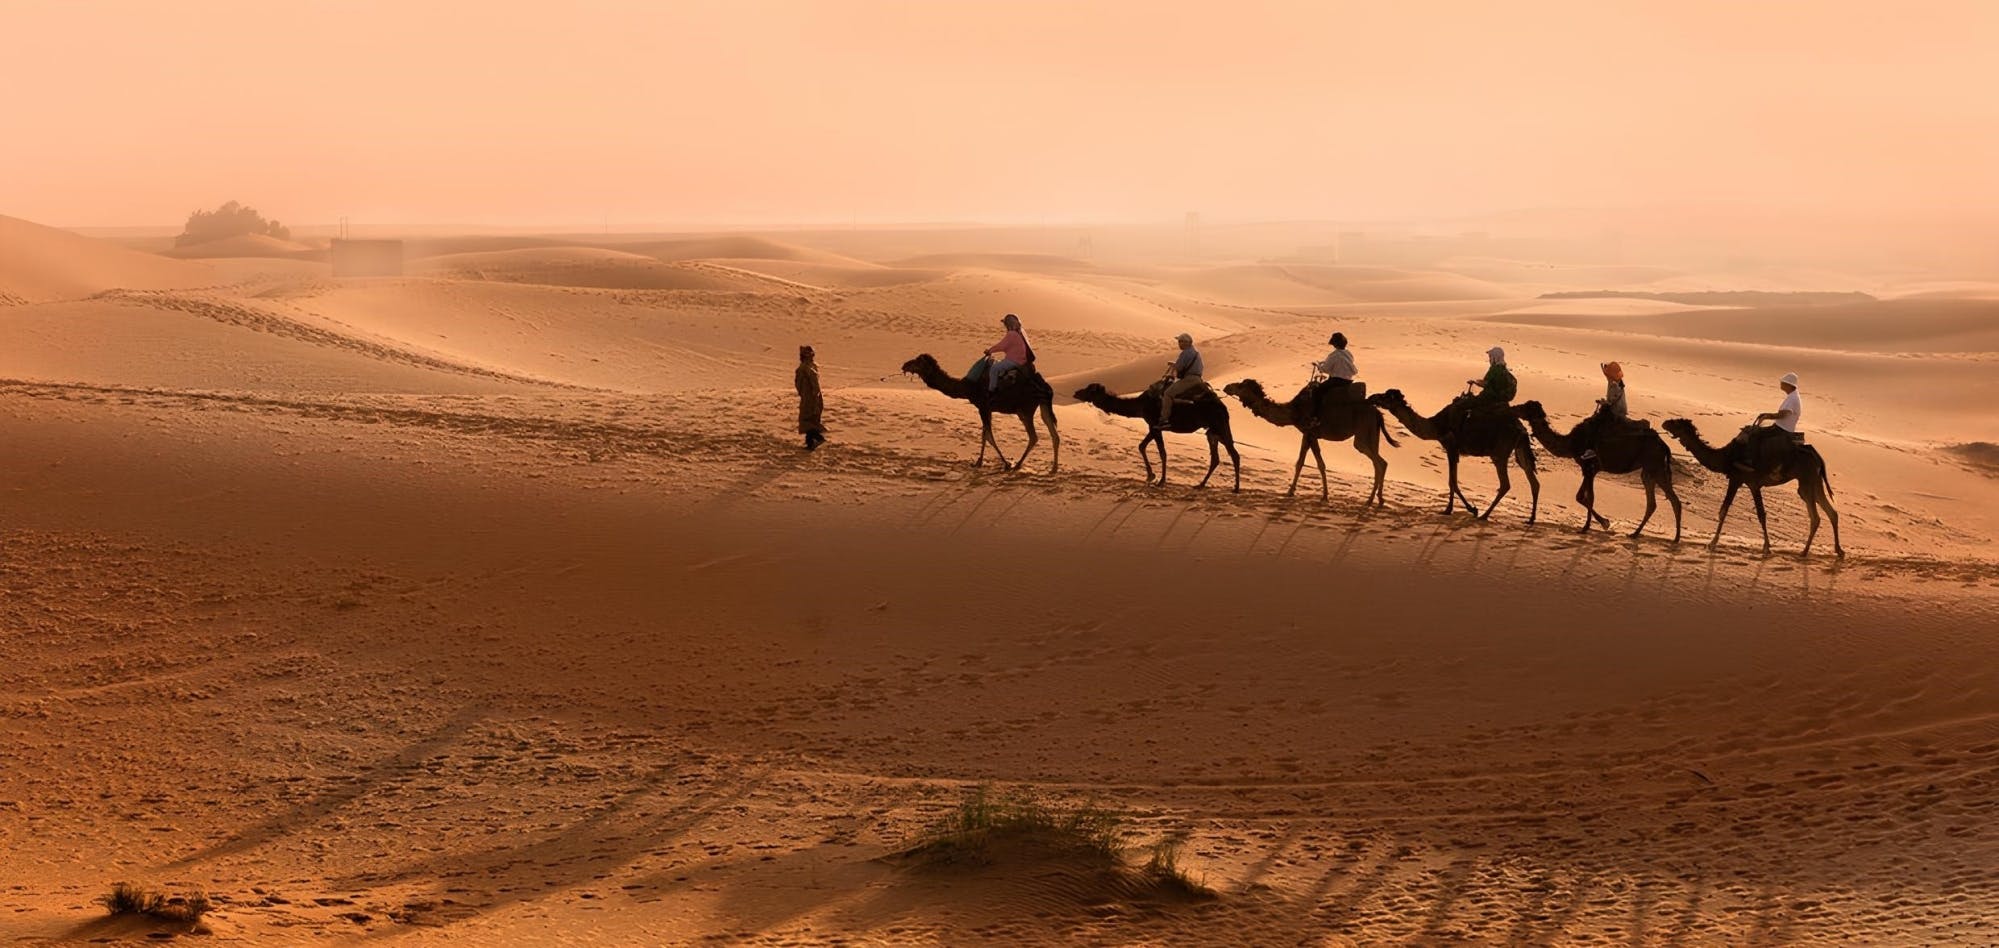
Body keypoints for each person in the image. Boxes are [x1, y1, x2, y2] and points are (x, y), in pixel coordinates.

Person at [1296, 331, 1356, 431]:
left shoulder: (1334, 355)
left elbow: (1325, 370)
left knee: (1316, 391)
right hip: (1348, 381)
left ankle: (1315, 418)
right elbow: (1341, 364)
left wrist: (1319, 366)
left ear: (1335, 344)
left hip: (1336, 381)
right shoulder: (1348, 353)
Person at [1155, 332, 1205, 429]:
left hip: (1189, 379)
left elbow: (1180, 367)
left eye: (1181, 341)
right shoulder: (1195, 353)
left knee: (1168, 394)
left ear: (1188, 342)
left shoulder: (1185, 353)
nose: (1179, 344)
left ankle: (1164, 420)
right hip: (1198, 379)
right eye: (1179, 342)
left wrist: (1173, 365)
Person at [983, 313, 1033, 392]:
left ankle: (992, 390)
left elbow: (1001, 346)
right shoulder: (1020, 333)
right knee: (1000, 365)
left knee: (994, 368)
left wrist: (990, 351)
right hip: (1021, 360)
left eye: (1005, 324)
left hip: (1014, 361)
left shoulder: (1012, 334)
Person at [796, 345, 825, 450]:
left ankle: (818, 439)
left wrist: (814, 396)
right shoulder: (811, 367)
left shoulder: (806, 368)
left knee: (808, 419)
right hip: (810, 397)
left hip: (810, 398)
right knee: (810, 419)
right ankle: (810, 443)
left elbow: (813, 384)